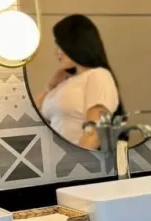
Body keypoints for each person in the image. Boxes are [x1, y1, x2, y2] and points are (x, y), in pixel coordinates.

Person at [36, 14, 123, 149]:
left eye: (60, 45)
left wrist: (76, 160)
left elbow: (95, 132)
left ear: (75, 44)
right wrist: (50, 86)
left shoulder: (98, 75)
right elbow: (34, 115)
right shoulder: (65, 82)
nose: (56, 52)